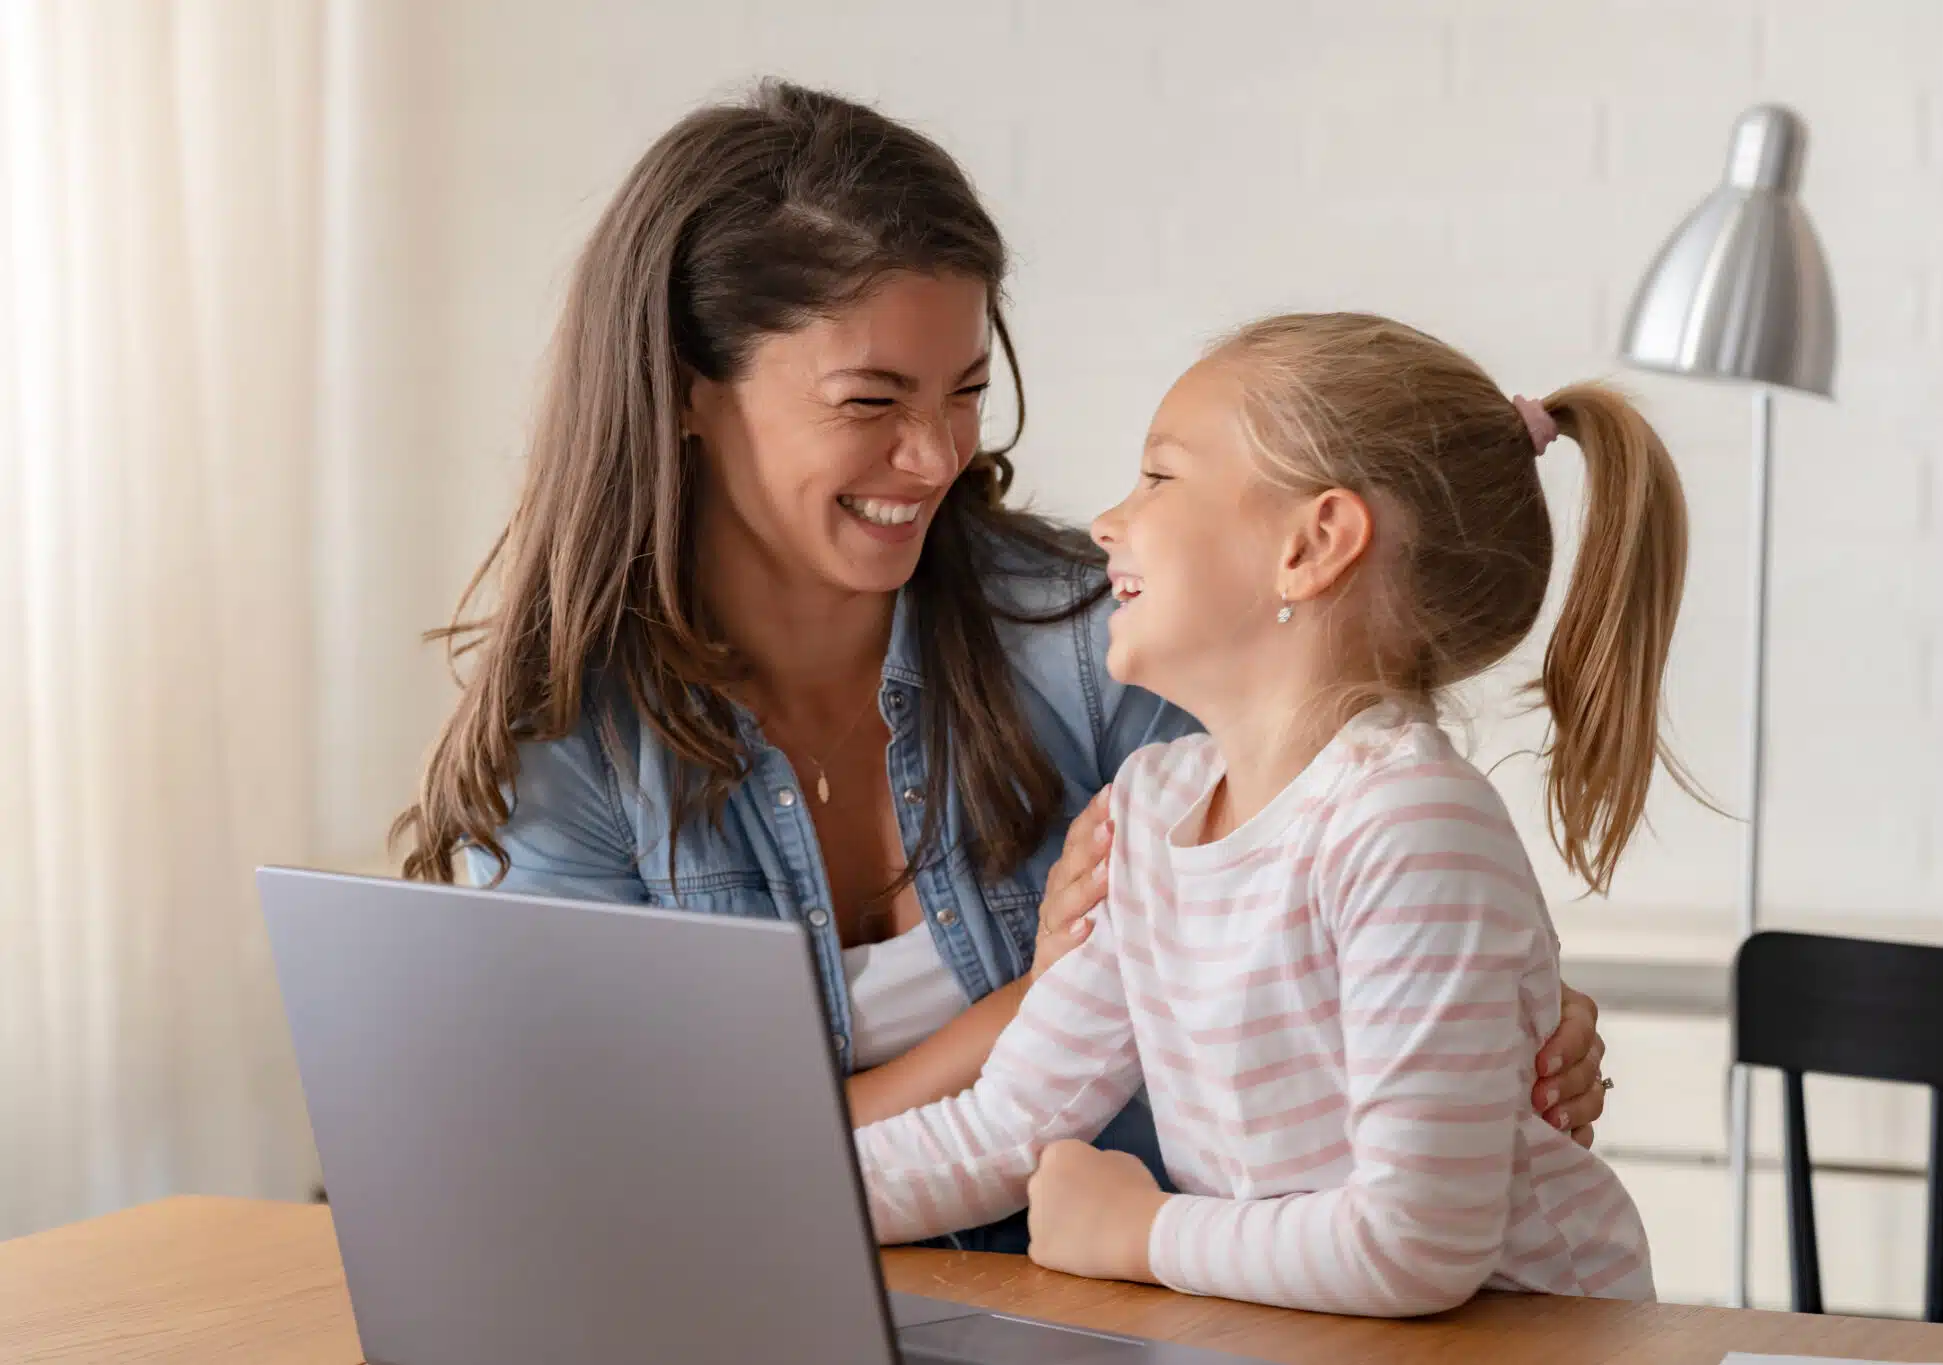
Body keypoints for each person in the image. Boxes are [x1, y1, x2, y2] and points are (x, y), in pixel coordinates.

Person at [391, 82, 1611, 1253]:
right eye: (870, 400)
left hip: (1146, 1305)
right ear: (685, 390)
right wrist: (1008, 1016)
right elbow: (604, 1165)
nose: (931, 457)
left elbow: (1338, 900)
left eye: (964, 391)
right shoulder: (577, 746)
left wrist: (1494, 1020)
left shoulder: (1099, 640)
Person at [854, 313, 1678, 1312]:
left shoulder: (1407, 825)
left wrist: (1140, 1231)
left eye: (1158, 477)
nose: (1108, 522)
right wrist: (763, 1200)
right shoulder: (1150, 811)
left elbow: (1412, 1244)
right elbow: (1001, 1127)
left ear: (1312, 544)